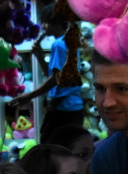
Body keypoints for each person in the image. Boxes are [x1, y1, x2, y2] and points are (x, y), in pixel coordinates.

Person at [5, 3, 83, 142]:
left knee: (48, 143)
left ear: (57, 22)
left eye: (46, 22)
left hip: (62, 108)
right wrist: (39, 56)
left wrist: (29, 96)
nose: (44, 26)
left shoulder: (58, 45)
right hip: (73, 107)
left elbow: (55, 79)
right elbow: (54, 75)